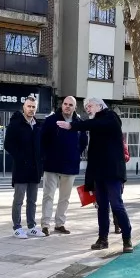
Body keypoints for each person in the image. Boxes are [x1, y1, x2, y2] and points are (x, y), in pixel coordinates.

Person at [57, 98, 132, 253]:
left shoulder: (110, 117)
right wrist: (89, 181)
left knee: (117, 205)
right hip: (99, 174)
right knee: (102, 207)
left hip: (113, 172)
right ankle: (103, 239)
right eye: (85, 107)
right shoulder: (95, 124)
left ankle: (127, 239)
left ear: (100, 105)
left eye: (89, 106)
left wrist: (72, 125)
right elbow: (93, 154)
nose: (87, 109)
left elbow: (95, 124)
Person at [39, 96, 87, 236]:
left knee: (64, 198)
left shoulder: (79, 123)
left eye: (70, 105)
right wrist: (45, 156)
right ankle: (45, 225)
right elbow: (42, 140)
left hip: (70, 165)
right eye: (65, 104)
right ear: (62, 105)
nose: (67, 106)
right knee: (48, 196)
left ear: (74, 107)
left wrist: (75, 153)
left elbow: (83, 142)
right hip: (51, 164)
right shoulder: (51, 120)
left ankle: (60, 224)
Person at [4, 96, 45, 239]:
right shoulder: (16, 124)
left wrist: (41, 164)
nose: (31, 109)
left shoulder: (38, 126)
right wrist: (21, 158)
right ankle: (17, 227)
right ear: (24, 107)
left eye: (34, 107)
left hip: (35, 169)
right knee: (19, 199)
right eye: (29, 106)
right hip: (21, 168)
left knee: (32, 200)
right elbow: (8, 145)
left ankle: (32, 226)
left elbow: (42, 147)